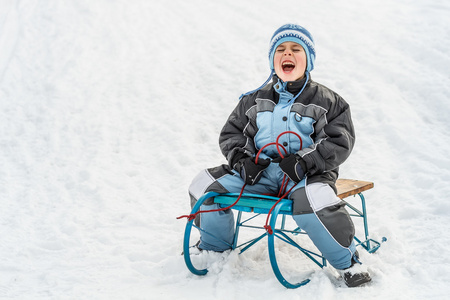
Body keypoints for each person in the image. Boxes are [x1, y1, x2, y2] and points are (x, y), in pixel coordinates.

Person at [187, 24, 371, 287]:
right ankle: (214, 248)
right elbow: (233, 134)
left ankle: (348, 263)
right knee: (204, 184)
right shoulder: (253, 100)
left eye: (296, 49)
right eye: (281, 50)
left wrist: (305, 161)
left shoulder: (328, 102)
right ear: (273, 61)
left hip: (305, 177)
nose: (288, 53)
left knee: (315, 200)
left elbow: (338, 140)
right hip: (259, 175)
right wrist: (243, 162)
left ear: (308, 60)